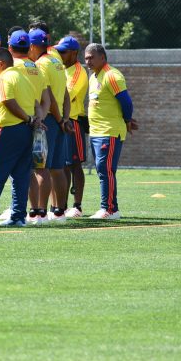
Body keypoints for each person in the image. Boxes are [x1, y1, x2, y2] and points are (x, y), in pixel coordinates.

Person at [0, 47, 43, 226]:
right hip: (25, 132)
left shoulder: (5, 77)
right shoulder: (24, 78)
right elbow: (37, 103)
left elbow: (8, 101)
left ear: (1, 63)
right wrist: (35, 120)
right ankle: (18, 216)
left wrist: (29, 118)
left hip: (6, 130)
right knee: (21, 175)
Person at [85, 43, 138, 220]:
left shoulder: (112, 75)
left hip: (109, 131)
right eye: (85, 57)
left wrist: (127, 120)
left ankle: (109, 209)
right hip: (96, 132)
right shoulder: (93, 77)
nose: (87, 61)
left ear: (102, 57)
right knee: (102, 170)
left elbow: (126, 102)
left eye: (91, 57)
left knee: (105, 169)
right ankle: (108, 207)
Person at [27, 27, 72, 223]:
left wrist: (59, 117)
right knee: (57, 168)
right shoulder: (57, 62)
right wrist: (65, 118)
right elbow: (66, 94)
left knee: (40, 167)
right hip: (59, 119)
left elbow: (50, 97)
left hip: (48, 120)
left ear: (34, 46)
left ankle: (41, 212)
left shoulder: (41, 65)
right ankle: (59, 212)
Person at [55, 36, 89, 218]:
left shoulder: (78, 72)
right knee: (63, 165)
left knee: (75, 164)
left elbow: (66, 94)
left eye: (63, 51)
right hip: (62, 120)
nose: (60, 54)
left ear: (74, 53)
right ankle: (62, 205)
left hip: (73, 121)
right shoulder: (62, 69)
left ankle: (77, 206)